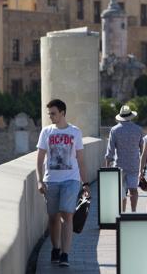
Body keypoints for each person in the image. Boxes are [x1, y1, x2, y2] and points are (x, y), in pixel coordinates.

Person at [36, 99, 89, 267]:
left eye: (53, 113)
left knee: (67, 215)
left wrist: (86, 184)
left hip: (71, 180)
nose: (50, 116)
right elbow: (39, 159)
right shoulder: (46, 132)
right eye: (49, 113)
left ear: (62, 113)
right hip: (51, 180)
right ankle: (55, 249)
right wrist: (39, 180)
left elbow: (81, 160)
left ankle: (65, 254)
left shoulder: (75, 132)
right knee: (53, 217)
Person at [104, 105, 143, 212]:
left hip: (119, 165)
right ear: (131, 116)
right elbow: (142, 149)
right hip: (134, 165)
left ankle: (122, 213)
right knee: (133, 190)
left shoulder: (114, 130)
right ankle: (134, 211)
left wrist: (107, 167)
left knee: (121, 192)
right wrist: (143, 167)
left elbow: (110, 151)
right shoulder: (138, 129)